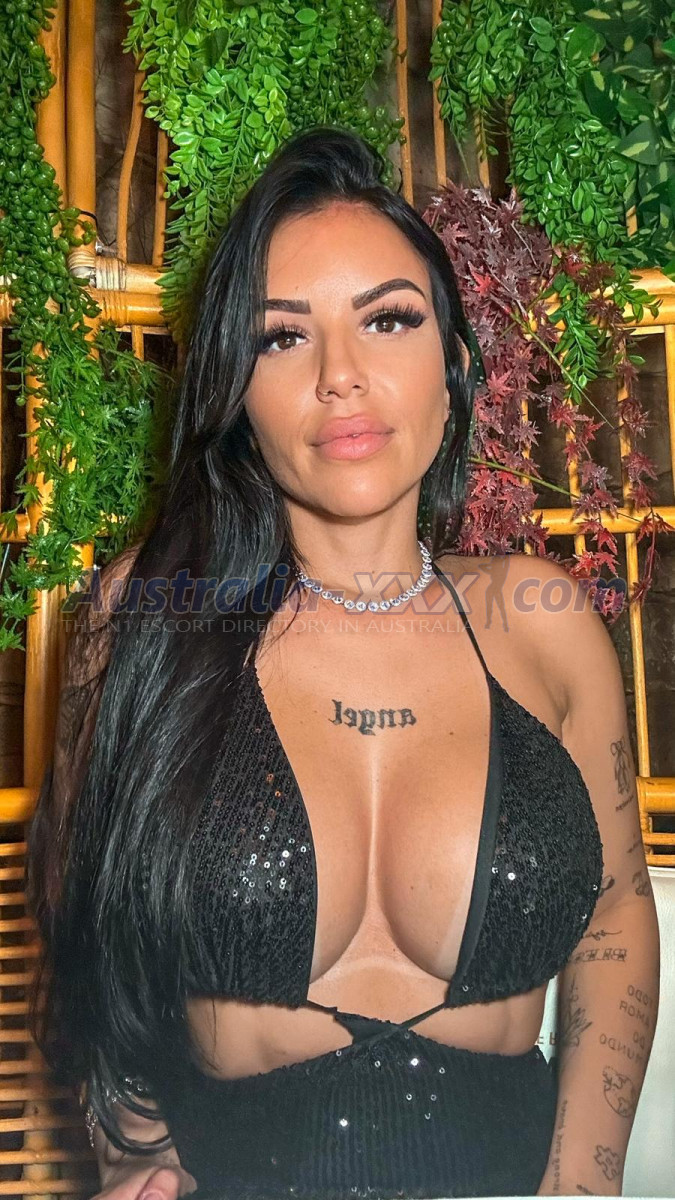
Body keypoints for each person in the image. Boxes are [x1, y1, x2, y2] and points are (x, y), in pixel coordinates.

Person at [26, 126, 659, 1200]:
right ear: (234, 393)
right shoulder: (145, 617)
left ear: (453, 367)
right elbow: (85, 915)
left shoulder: (544, 622)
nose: (341, 378)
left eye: (388, 319)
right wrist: (134, 1148)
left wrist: (586, 1180)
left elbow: (613, 915)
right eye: (282, 337)